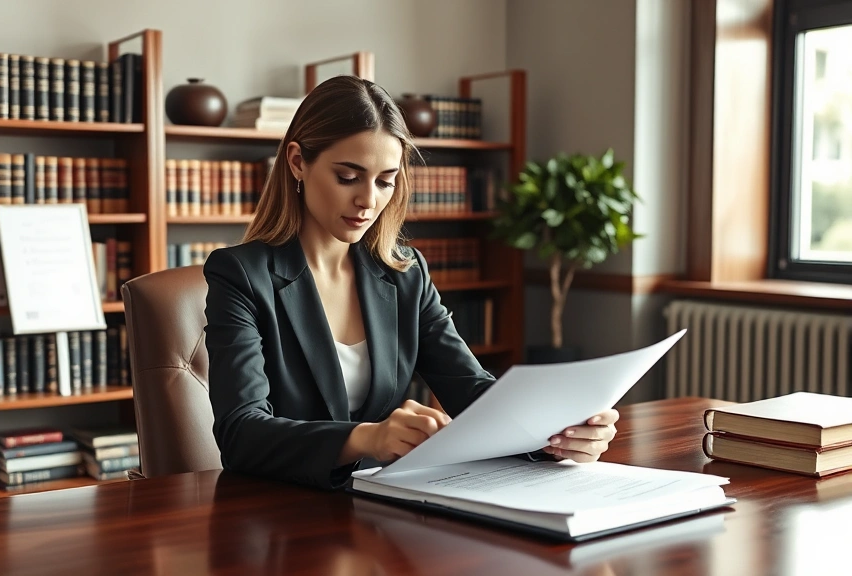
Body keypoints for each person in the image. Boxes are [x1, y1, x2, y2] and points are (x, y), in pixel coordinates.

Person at [202, 75, 618, 490]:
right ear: (297, 161)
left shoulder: (405, 274)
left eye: (385, 181)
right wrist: (369, 436)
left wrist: (555, 433)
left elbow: (470, 390)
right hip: (280, 516)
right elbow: (242, 433)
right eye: (348, 177)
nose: (368, 200)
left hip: (381, 505)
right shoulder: (240, 274)